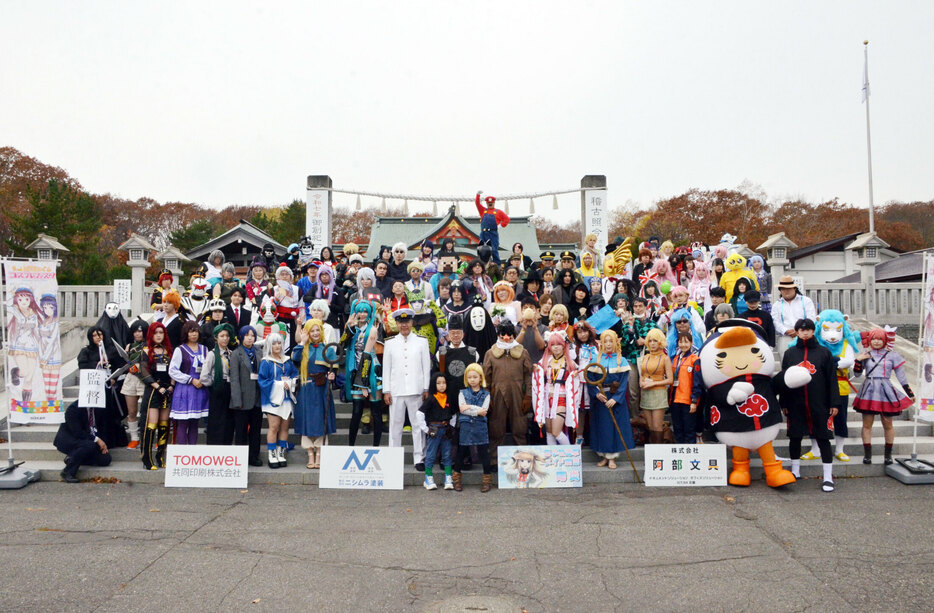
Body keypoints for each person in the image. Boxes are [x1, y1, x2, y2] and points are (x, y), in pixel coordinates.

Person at [778, 319, 840, 492]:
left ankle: (828, 476)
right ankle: (795, 470)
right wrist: (783, 401)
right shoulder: (790, 353)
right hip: (795, 402)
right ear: (796, 332)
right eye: (801, 330)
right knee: (795, 436)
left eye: (808, 330)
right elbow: (784, 378)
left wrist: (834, 402)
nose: (805, 333)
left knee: (823, 438)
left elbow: (831, 380)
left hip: (819, 403)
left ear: (814, 331)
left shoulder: (824, 353)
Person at [853, 328, 915, 465]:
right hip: (869, 390)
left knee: (888, 424)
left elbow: (901, 377)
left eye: (880, 339)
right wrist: (858, 361)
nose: (876, 341)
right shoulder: (865, 354)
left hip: (886, 390)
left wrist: (910, 393)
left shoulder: (893, 355)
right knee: (867, 424)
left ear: (885, 340)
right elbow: (857, 375)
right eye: (874, 338)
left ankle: (888, 455)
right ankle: (867, 455)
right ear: (870, 340)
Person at [382, 308, 431, 470]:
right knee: (395, 426)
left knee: (418, 425)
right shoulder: (390, 343)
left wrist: (426, 388)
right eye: (401, 323)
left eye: (407, 322)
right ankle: (393, 457)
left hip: (416, 389)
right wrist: (386, 390)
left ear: (412, 323)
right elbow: (386, 369)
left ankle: (419, 458)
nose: (404, 326)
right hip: (396, 390)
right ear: (396, 324)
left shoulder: (421, 341)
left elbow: (426, 367)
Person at [483, 321, 533, 458]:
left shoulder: (523, 352)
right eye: (503, 334)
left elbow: (529, 376)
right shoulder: (490, 353)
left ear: (513, 335)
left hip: (518, 394)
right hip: (497, 394)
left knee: (520, 428)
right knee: (496, 428)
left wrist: (528, 396)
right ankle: (494, 460)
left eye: (509, 334)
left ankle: (524, 458)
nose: (506, 337)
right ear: (498, 335)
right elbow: (485, 379)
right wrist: (487, 397)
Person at [293, 319, 337, 469]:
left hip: (322, 388)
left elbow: (333, 369)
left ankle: (319, 454)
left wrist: (332, 376)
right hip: (306, 388)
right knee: (306, 419)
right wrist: (301, 342)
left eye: (318, 330)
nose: (316, 333)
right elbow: (295, 360)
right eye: (312, 331)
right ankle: (309, 454)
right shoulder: (303, 348)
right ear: (308, 332)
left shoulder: (328, 348)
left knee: (320, 420)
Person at [588, 330, 635, 468]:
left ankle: (612, 457)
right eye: (605, 341)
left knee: (615, 427)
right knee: (602, 427)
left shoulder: (622, 361)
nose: (608, 344)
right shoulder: (595, 360)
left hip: (615, 399)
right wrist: (596, 393)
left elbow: (624, 382)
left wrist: (616, 399)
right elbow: (589, 380)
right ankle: (603, 455)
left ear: (616, 342)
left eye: (611, 341)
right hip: (601, 399)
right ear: (601, 343)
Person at [77, 326, 128, 449]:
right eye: (94, 335)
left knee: (109, 413)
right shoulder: (86, 351)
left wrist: (114, 377)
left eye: (100, 334)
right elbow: (82, 365)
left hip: (108, 386)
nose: (98, 337)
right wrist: (97, 364)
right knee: (97, 414)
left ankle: (111, 441)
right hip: (93, 387)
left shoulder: (111, 350)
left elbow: (120, 365)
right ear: (90, 337)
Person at [343, 299, 385, 447]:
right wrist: (349, 327)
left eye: (365, 311)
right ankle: (350, 446)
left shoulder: (372, 329)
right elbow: (342, 345)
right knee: (356, 411)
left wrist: (363, 383)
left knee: (376, 411)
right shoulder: (352, 327)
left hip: (371, 371)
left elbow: (366, 355)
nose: (362, 314)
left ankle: (376, 447)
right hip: (355, 371)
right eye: (359, 311)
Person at [532, 332, 580, 446]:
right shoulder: (544, 361)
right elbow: (538, 379)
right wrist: (536, 371)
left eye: (558, 344)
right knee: (549, 432)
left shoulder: (570, 363)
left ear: (564, 345)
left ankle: (569, 454)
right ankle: (552, 459)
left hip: (561, 399)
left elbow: (578, 380)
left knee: (556, 432)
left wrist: (575, 375)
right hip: (547, 397)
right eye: (553, 344)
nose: (556, 347)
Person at [258, 332, 298, 468]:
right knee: (274, 427)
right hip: (273, 399)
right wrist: (281, 385)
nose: (277, 345)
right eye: (274, 343)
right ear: (269, 345)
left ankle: (281, 452)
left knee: (285, 427)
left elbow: (294, 374)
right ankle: (272, 454)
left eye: (279, 343)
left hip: (287, 398)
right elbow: (262, 381)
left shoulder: (287, 360)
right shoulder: (266, 362)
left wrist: (291, 382)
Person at [453, 364, 495, 492]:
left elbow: (485, 411)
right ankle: (456, 479)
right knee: (461, 452)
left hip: (480, 426)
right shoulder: (462, 392)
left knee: (484, 453)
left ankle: (487, 481)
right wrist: (477, 410)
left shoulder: (486, 394)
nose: (472, 379)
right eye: (469, 377)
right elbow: (462, 409)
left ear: (480, 378)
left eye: (475, 377)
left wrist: (469, 407)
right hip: (466, 426)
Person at [138, 322, 173, 470]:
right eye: (156, 332)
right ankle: (147, 457)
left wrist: (171, 385)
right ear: (151, 335)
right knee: (151, 425)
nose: (158, 335)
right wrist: (157, 387)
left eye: (161, 332)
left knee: (164, 424)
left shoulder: (169, 351)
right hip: (153, 390)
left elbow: (174, 370)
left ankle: (160, 456)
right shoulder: (145, 351)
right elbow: (144, 373)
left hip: (167, 390)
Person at [168, 321, 210, 445]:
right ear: (186, 333)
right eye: (191, 332)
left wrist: (204, 380)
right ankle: (182, 455)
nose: (194, 334)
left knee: (194, 423)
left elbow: (208, 368)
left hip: (200, 389)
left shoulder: (204, 349)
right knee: (183, 422)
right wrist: (190, 380)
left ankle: (192, 454)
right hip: (184, 389)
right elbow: (172, 370)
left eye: (196, 331)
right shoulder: (180, 350)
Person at [229, 326, 264, 466]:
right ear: (241, 337)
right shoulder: (236, 354)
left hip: (257, 397)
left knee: (256, 430)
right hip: (242, 398)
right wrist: (237, 399)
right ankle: (241, 458)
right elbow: (234, 379)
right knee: (241, 430)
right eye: (247, 335)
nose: (250, 338)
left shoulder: (259, 351)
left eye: (252, 335)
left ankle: (254, 456)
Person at [54, 401, 111, 483]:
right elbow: (77, 432)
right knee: (89, 445)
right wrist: (97, 440)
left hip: (90, 439)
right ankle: (68, 472)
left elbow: (103, 427)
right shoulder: (73, 409)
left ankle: (73, 457)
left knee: (105, 459)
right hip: (72, 439)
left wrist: (103, 443)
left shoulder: (98, 408)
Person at [200, 322, 237, 445]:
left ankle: (227, 446)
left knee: (229, 420)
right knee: (217, 420)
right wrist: (216, 382)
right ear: (216, 337)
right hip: (217, 389)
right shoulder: (212, 354)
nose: (225, 338)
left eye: (227, 336)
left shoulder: (232, 354)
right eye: (222, 336)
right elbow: (204, 376)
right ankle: (215, 447)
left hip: (230, 389)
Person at [418, 372, 456, 490]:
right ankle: (428, 478)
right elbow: (419, 413)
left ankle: (448, 477)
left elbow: (453, 414)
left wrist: (452, 426)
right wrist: (425, 429)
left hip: (446, 429)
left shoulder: (449, 398)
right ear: (434, 385)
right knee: (431, 454)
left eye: (444, 383)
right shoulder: (431, 399)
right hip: (434, 429)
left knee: (447, 454)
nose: (441, 385)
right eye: (438, 383)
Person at [639, 328, 672, 444]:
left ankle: (659, 454)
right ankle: (652, 454)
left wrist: (654, 383)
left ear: (660, 342)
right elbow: (642, 374)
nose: (652, 343)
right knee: (650, 425)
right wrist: (641, 382)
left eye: (655, 341)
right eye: (650, 340)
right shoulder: (646, 356)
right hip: (646, 393)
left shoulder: (665, 358)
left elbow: (670, 379)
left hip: (659, 393)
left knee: (657, 425)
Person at [772, 275, 817, 359]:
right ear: (780, 290)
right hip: (786, 335)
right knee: (785, 356)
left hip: (805, 332)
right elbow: (775, 322)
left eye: (789, 288)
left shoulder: (806, 301)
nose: (786, 291)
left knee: (808, 357)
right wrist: (786, 331)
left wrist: (800, 330)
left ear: (794, 289)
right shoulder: (776, 305)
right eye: (783, 289)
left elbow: (811, 317)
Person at [121, 319, 149, 449]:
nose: (138, 334)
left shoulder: (150, 346)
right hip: (131, 379)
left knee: (147, 411)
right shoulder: (129, 346)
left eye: (141, 331)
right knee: (131, 411)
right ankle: (134, 438)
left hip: (145, 378)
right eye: (136, 331)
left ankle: (147, 437)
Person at [669, 332, 700, 445]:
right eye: (681, 342)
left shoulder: (695, 359)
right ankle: (680, 455)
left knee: (689, 430)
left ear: (691, 343)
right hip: (675, 399)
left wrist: (694, 400)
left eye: (686, 342)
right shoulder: (676, 359)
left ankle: (689, 457)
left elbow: (697, 382)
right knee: (677, 429)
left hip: (687, 400)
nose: (683, 345)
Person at [475, 191, 509, 264]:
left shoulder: (498, 212)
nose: (490, 204)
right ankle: (481, 263)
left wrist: (500, 226)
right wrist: (478, 195)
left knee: (493, 249)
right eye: (488, 203)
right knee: (481, 249)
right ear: (487, 203)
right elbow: (477, 204)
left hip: (492, 233)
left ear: (494, 203)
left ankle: (497, 264)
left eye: (491, 203)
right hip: (483, 232)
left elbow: (507, 219)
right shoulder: (483, 211)